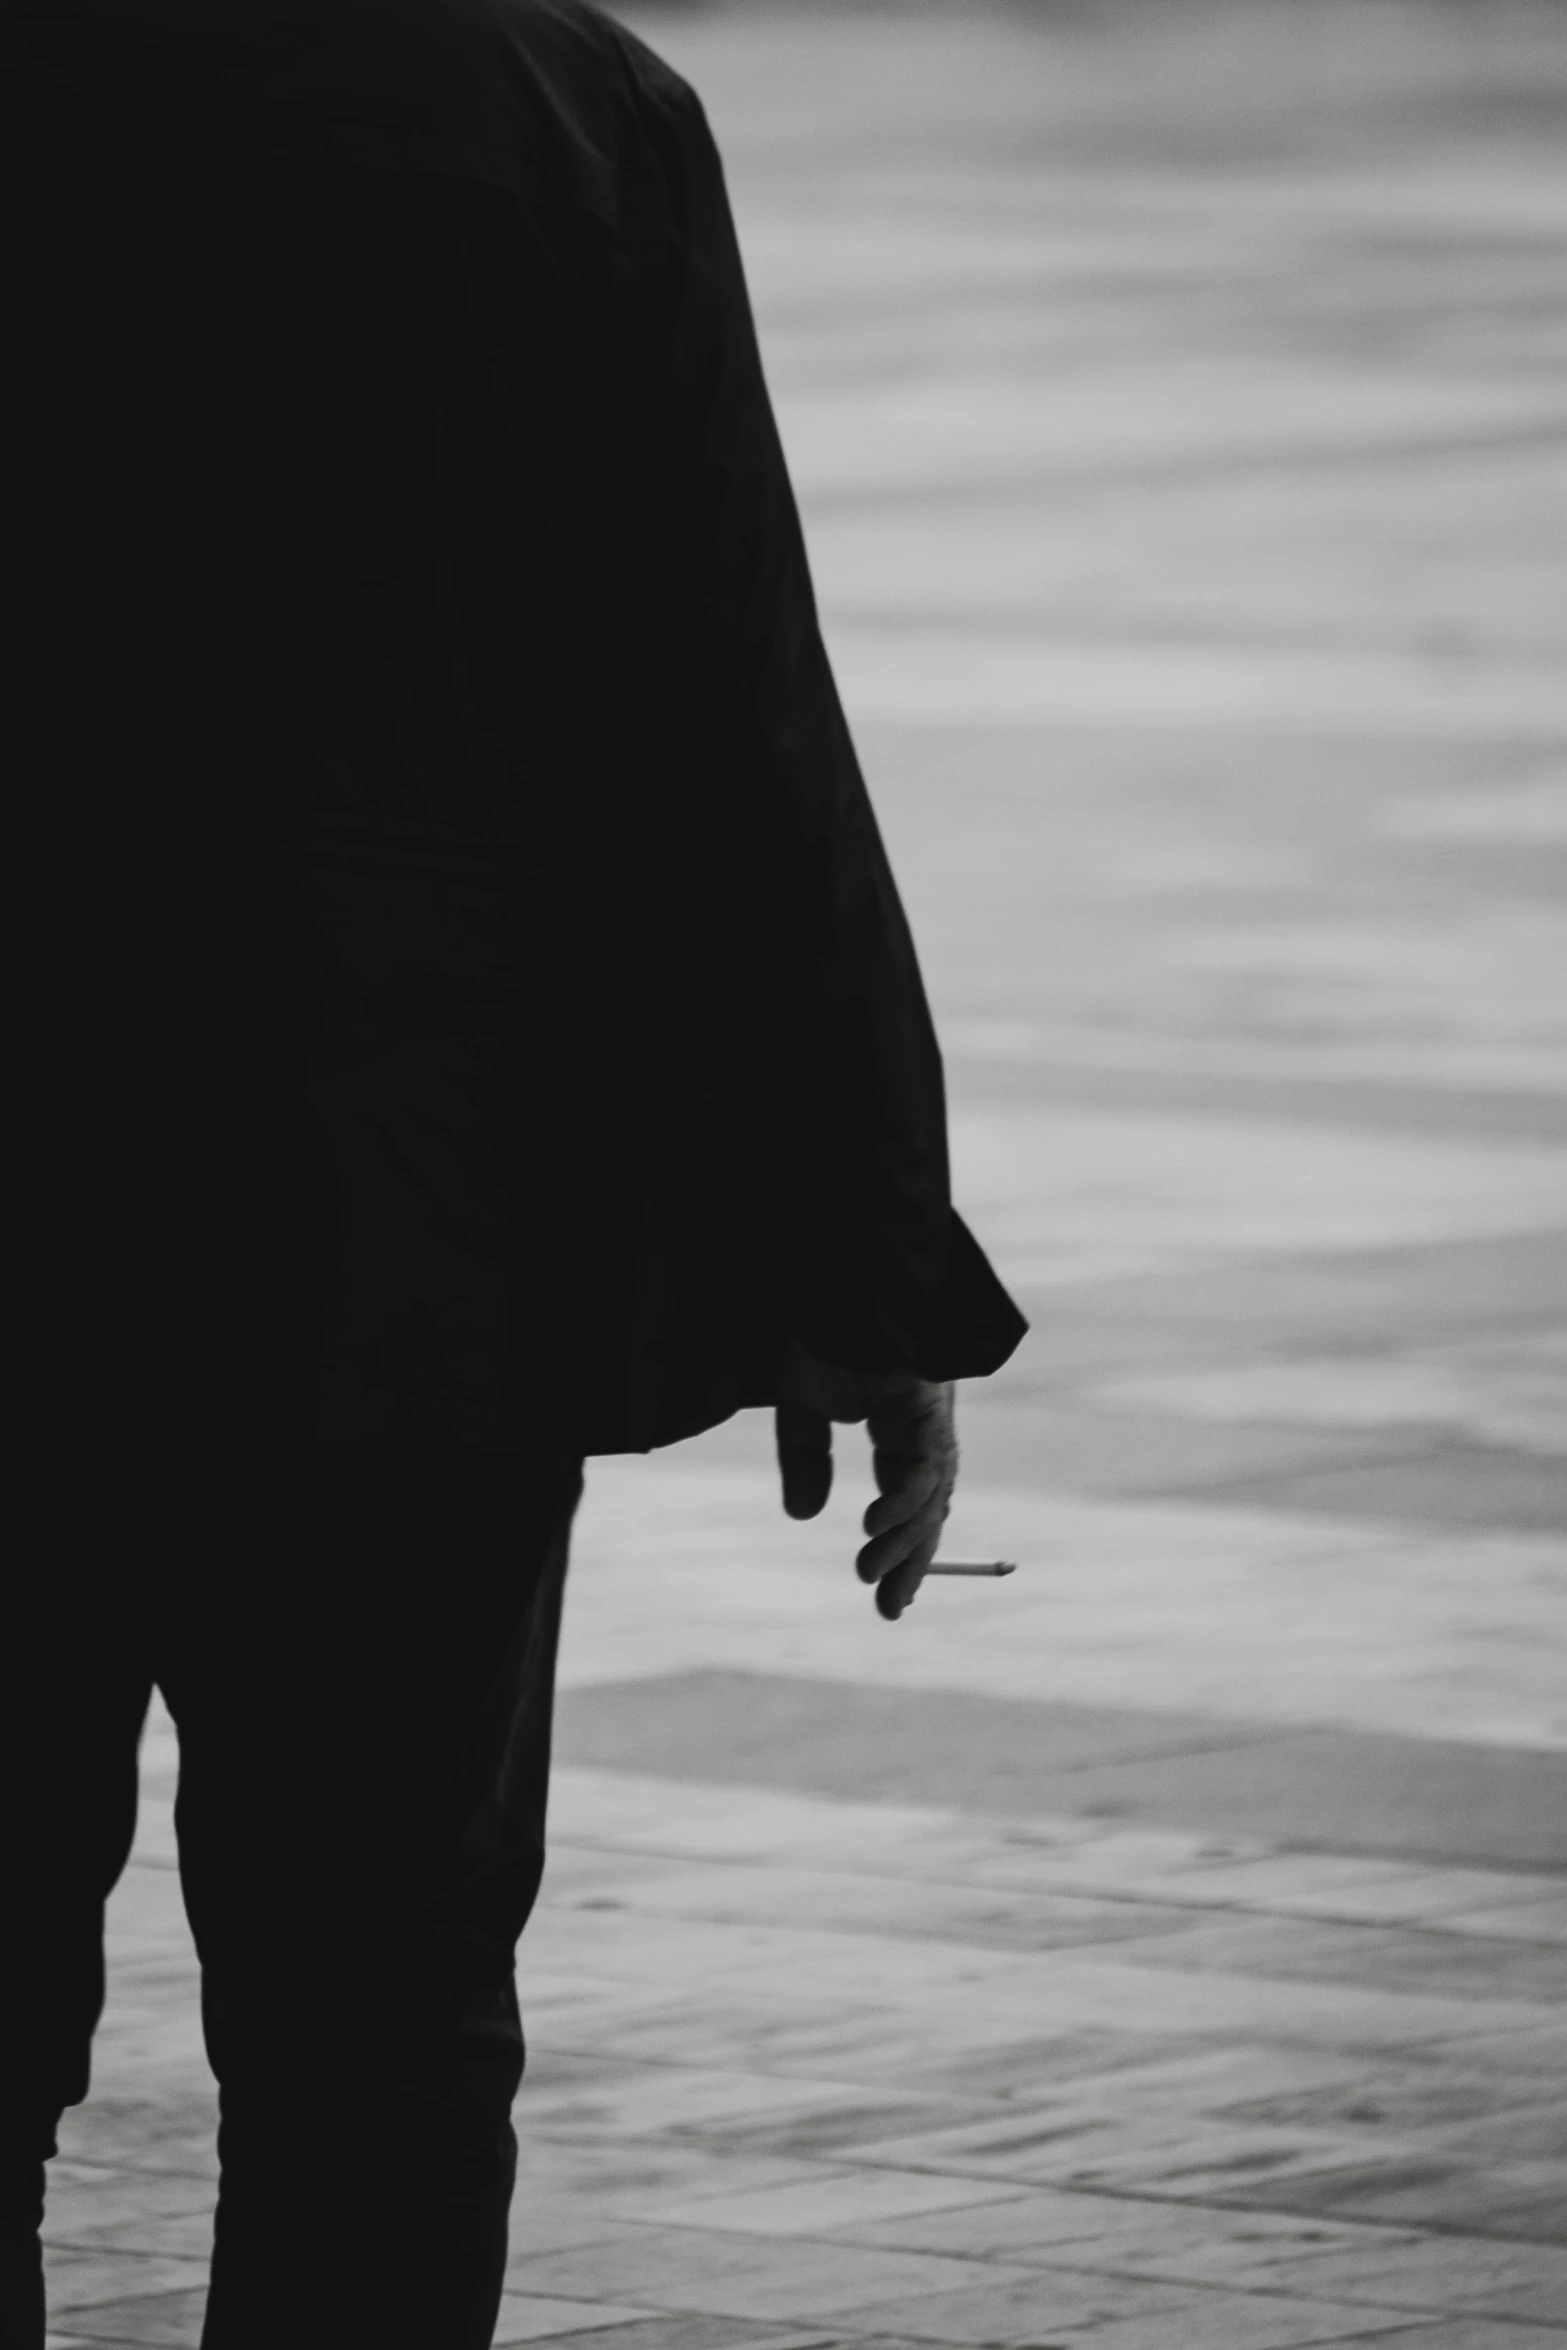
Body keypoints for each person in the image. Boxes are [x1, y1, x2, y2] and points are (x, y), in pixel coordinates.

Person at [2, 0, 1028, 2342]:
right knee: (377, 2022)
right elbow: (730, 705)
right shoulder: (565, 114)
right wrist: (862, 1243)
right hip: (406, 1237)